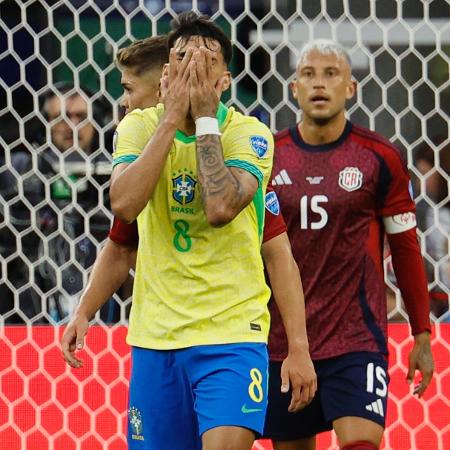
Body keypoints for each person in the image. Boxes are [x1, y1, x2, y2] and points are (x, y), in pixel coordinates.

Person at [64, 13, 314, 450]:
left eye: (206, 59)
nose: (193, 67)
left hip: (232, 338)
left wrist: (298, 346)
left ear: (224, 81)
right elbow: (123, 214)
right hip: (156, 340)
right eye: (182, 57)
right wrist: (84, 311)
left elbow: (222, 209)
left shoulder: (250, 135)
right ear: (166, 73)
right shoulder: (137, 127)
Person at [263, 39, 435, 450]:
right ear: (294, 88)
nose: (319, 84)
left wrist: (422, 334)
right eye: (308, 74)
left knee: (361, 445)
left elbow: (407, 250)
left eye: (331, 74)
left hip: (356, 339)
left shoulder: (379, 157)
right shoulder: (268, 157)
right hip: (285, 341)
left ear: (351, 87)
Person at [0, 82, 113, 323]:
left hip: (104, 301)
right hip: (30, 302)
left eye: (81, 116)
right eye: (61, 117)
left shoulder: (115, 170)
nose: (72, 126)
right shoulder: (21, 169)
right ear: (44, 123)